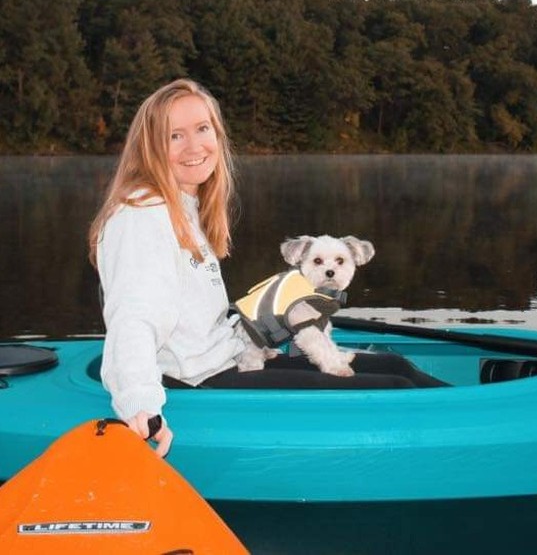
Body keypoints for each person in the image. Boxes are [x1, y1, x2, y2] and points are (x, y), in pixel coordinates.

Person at [89, 78, 445, 457]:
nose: (194, 146)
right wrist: (140, 403)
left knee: (396, 365)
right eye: (175, 136)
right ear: (151, 147)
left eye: (203, 129)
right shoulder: (142, 214)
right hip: (197, 381)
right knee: (394, 389)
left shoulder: (182, 206)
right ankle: (469, 432)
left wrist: (256, 332)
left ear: (218, 134)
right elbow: (133, 316)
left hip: (228, 356)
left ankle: (483, 406)